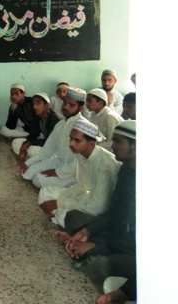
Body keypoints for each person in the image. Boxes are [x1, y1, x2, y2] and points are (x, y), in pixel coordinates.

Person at [56, 121, 137, 304]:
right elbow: (115, 212)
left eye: (118, 141)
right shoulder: (126, 170)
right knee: (73, 217)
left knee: (96, 266)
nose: (112, 145)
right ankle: (80, 245)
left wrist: (96, 245)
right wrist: (86, 232)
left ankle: (87, 251)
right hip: (118, 235)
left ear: (135, 146)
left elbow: (134, 236)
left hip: (138, 252)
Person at [37, 120, 121, 230]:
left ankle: (61, 216)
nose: (71, 144)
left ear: (91, 143)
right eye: (71, 138)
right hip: (88, 197)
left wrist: (60, 203)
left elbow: (98, 207)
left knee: (64, 216)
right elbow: (82, 186)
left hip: (102, 209)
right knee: (45, 192)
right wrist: (61, 201)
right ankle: (59, 215)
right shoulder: (81, 154)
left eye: (77, 140)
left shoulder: (105, 164)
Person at [21, 87, 88, 188]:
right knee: (27, 173)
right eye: (65, 103)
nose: (66, 107)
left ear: (80, 108)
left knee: (37, 179)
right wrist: (28, 163)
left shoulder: (83, 127)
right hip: (58, 161)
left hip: (74, 171)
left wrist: (57, 172)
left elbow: (81, 161)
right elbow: (47, 150)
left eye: (71, 105)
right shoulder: (60, 124)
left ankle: (72, 186)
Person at [13, 92, 62, 160]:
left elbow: (49, 141)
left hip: (56, 147)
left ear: (47, 105)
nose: (34, 107)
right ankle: (29, 158)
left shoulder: (54, 118)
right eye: (33, 103)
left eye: (38, 103)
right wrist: (25, 144)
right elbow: (34, 133)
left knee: (32, 150)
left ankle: (30, 158)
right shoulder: (38, 116)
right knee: (16, 142)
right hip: (45, 142)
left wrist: (29, 144)